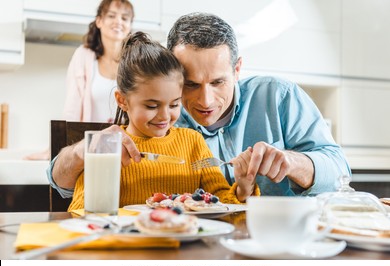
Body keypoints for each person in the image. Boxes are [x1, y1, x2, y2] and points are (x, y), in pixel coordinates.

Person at [48, 12, 350, 198]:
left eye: (218, 82)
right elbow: (63, 186)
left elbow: (339, 171)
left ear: (237, 69)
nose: (205, 101)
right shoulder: (159, 119)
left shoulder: (279, 97)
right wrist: (81, 152)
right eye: (190, 84)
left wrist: (292, 162)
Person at [67, 31, 259, 211]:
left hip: (185, 241)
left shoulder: (193, 142)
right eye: (152, 106)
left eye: (174, 104)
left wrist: (242, 189)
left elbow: (219, 201)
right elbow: (79, 211)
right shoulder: (108, 147)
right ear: (122, 100)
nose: (165, 116)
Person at [24, 0, 134, 160]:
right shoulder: (84, 56)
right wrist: (57, 149)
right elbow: (72, 106)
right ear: (99, 21)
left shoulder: (134, 59)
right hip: (90, 148)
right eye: (111, 16)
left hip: (127, 147)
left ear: (130, 25)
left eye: (125, 18)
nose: (118, 21)